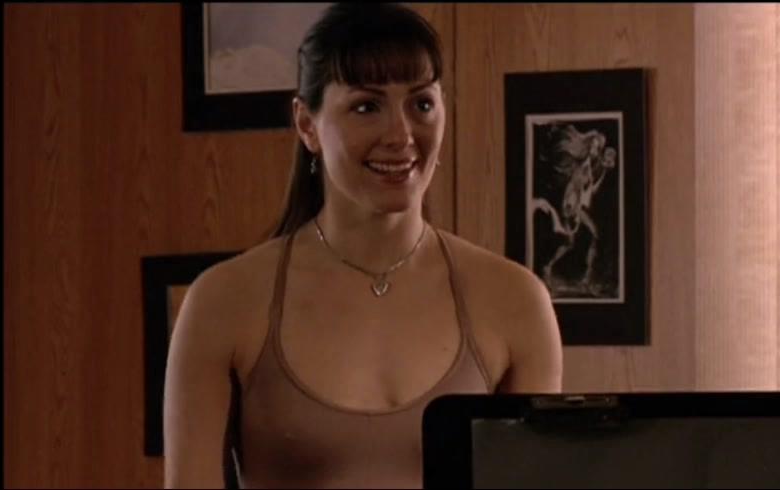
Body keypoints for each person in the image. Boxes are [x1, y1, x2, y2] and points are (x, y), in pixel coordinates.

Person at [163, 3, 563, 488]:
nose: (401, 135)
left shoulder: (515, 300)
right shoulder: (223, 301)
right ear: (307, 125)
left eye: (421, 104)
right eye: (366, 107)